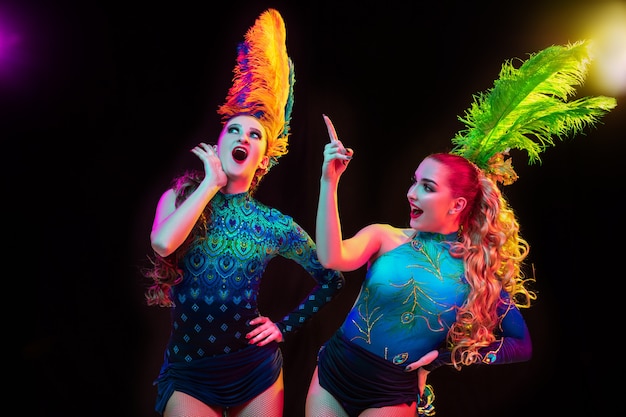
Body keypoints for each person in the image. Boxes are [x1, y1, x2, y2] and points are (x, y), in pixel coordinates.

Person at [305, 40, 617, 417]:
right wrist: (329, 181)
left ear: (457, 205)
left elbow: (521, 344)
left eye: (427, 187)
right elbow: (331, 255)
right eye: (414, 180)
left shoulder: (475, 272)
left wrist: (446, 358)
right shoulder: (384, 236)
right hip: (333, 373)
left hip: (391, 393)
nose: (411, 192)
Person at [142, 9, 344, 417]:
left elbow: (332, 277)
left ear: (262, 160)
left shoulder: (272, 224)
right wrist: (209, 185)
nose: (243, 137)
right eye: (234, 129)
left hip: (255, 371)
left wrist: (282, 327)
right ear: (219, 141)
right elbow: (163, 244)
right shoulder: (180, 199)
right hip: (190, 372)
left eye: (254, 135)